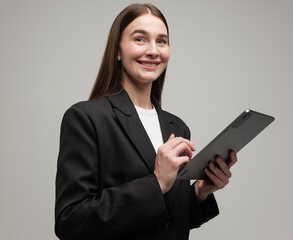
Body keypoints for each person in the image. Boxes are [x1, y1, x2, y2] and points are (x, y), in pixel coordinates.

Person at [55, 3, 237, 240]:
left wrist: (201, 192)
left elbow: (168, 223)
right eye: (140, 39)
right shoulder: (86, 119)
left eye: (161, 41)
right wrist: (157, 182)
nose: (153, 50)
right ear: (117, 50)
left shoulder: (177, 127)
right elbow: (71, 222)